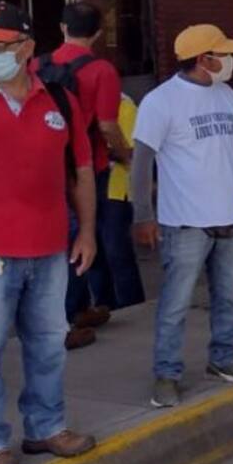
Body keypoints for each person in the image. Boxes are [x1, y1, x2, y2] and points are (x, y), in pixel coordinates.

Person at [0, 2, 97, 464]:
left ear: (28, 48)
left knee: (48, 345)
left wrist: (89, 233)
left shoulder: (58, 100)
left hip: (50, 250)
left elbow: (81, 170)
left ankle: (46, 427)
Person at [130, 24, 233, 409]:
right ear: (201, 59)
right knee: (175, 304)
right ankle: (166, 374)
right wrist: (143, 215)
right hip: (185, 223)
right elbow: (141, 163)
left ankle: (223, 359)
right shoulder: (161, 102)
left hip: (229, 216)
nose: (230, 60)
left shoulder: (226, 94)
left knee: (227, 297)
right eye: (221, 54)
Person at [37, 2, 132, 349]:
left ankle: (79, 309)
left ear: (63, 27)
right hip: (87, 167)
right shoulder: (102, 71)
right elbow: (108, 127)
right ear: (97, 32)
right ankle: (65, 319)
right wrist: (127, 156)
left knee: (61, 241)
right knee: (83, 241)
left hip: (47, 167)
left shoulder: (38, 65)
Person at [101, 91, 145, 310]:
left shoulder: (123, 106)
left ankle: (132, 306)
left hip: (117, 191)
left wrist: (99, 149)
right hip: (93, 190)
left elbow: (132, 152)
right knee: (97, 256)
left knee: (117, 252)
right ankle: (105, 307)